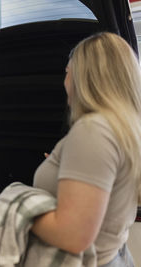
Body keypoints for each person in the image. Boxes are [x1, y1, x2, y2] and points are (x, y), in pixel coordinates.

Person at [32, 32, 141, 266]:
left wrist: (18, 207)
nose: (65, 82)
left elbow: (72, 237)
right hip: (115, 256)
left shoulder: (93, 130)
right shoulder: (126, 127)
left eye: (67, 72)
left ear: (85, 77)